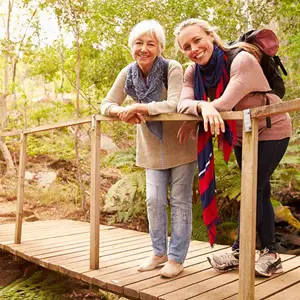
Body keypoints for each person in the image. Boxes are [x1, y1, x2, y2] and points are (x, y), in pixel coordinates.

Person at [174, 18, 292, 277]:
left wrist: (204, 106)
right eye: (186, 47)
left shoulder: (241, 60)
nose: (193, 49)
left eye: (197, 40)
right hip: (242, 134)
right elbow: (182, 104)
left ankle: (243, 250)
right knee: (259, 190)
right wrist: (202, 106)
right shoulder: (193, 72)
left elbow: (225, 103)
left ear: (211, 36)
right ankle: (269, 252)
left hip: (272, 129)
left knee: (253, 188)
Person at [100, 20, 197, 277]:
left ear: (160, 47)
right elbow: (106, 104)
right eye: (139, 43)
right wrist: (121, 110)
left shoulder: (171, 68)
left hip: (181, 146)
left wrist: (143, 107)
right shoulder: (128, 73)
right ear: (131, 46)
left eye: (150, 44)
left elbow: (175, 104)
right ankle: (158, 252)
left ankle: (176, 258)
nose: (144, 49)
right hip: (150, 149)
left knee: (179, 202)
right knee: (153, 202)